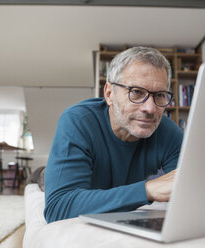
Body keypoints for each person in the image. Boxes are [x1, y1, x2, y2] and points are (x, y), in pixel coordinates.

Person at [44, 46, 183, 223]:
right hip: (81, 181)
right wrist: (148, 190)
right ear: (109, 94)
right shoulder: (78, 121)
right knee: (46, 179)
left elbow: (189, 194)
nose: (150, 108)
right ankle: (44, 174)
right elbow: (58, 208)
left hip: (114, 188)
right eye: (137, 92)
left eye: (160, 95)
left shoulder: (169, 132)